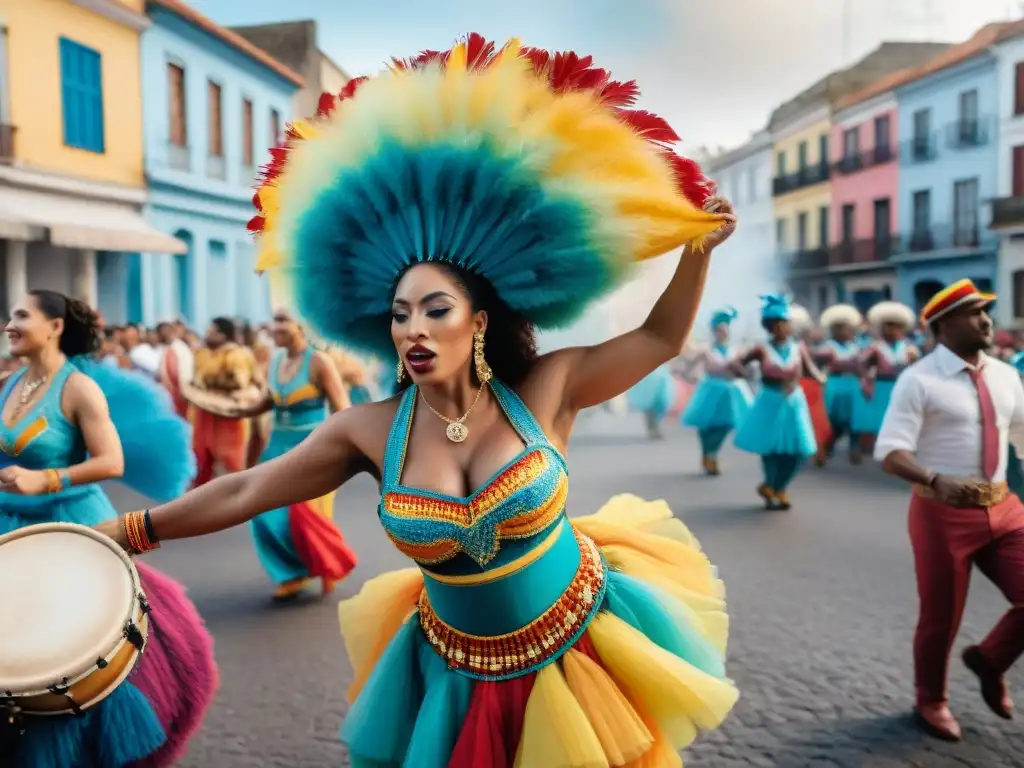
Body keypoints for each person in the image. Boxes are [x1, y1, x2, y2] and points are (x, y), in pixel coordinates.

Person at [97, 34, 739, 766]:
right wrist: (128, 531)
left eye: (437, 310)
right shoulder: (368, 432)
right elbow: (245, 489)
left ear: (480, 322)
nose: (414, 330)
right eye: (400, 315)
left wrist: (697, 252)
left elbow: (658, 338)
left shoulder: (549, 388)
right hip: (455, 678)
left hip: (582, 656)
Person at [0, 289, 214, 767]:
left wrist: (46, 479)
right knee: (13, 654)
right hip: (10, 530)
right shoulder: (9, 384)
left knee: (70, 658)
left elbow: (111, 460)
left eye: (21, 316)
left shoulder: (79, 389)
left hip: (72, 528)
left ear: (55, 327)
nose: (9, 326)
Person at [874, 279, 1024, 742]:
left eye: (986, 311)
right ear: (943, 325)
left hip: (1003, 507)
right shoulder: (918, 379)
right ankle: (931, 700)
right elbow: (890, 452)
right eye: (974, 313)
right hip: (941, 513)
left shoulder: (1006, 375)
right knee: (942, 617)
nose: (986, 320)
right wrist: (935, 479)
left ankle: (990, 659)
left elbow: (1021, 434)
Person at [230, 308, 358, 600]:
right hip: (277, 447)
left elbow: (343, 409)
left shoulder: (319, 361)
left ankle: (328, 565)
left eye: (283, 320)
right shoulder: (275, 361)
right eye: (273, 320)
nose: (275, 327)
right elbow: (268, 401)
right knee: (261, 510)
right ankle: (291, 573)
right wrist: (238, 410)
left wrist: (342, 452)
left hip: (312, 448)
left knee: (305, 516)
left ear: (300, 325)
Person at [734, 295, 823, 510]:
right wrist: (745, 374)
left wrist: (822, 378)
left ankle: (779, 486)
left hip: (794, 403)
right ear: (769, 327)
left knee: (799, 451)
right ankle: (772, 487)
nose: (782, 328)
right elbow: (738, 362)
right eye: (776, 324)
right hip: (769, 401)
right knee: (771, 449)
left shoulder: (798, 348)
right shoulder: (761, 349)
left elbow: (811, 370)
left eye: (785, 323)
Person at [681, 307, 752, 475]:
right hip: (711, 391)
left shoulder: (736, 351)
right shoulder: (706, 350)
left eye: (725, 330)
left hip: (731, 392)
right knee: (706, 426)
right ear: (714, 332)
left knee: (726, 425)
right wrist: (689, 375)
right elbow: (689, 366)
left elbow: (746, 370)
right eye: (719, 330)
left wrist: (741, 370)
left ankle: (712, 453)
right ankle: (707, 453)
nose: (723, 333)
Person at [190, 316, 256, 487]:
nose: (206, 335)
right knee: (201, 462)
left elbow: (240, 383)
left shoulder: (236, 354)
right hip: (204, 415)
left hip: (228, 417)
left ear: (223, 335)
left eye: (211, 332)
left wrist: (211, 383)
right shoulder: (203, 353)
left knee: (230, 464)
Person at [852, 301, 919, 451]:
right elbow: (862, 365)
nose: (892, 330)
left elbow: (918, 368)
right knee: (882, 419)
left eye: (896, 326)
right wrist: (866, 380)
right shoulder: (875, 347)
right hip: (882, 386)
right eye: (888, 326)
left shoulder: (909, 347)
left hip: (902, 386)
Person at [814, 304, 864, 464]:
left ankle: (854, 447)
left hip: (853, 384)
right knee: (834, 419)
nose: (844, 332)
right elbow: (818, 363)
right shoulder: (828, 347)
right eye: (840, 328)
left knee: (854, 418)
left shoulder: (857, 347)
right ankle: (826, 447)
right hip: (835, 383)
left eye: (847, 328)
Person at [790, 303, 833, 468]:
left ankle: (818, 452)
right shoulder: (796, 347)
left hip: (811, 387)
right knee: (808, 421)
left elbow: (814, 368)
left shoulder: (817, 346)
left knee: (816, 421)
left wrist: (821, 378)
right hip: (800, 387)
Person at [626, 362, 677, 439]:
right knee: (650, 411)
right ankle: (653, 430)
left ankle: (653, 430)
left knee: (654, 411)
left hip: (655, 390)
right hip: (650, 390)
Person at [156, 320, 194, 419]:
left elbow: (185, 375)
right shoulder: (166, 348)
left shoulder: (181, 349)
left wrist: (184, 394)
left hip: (180, 397)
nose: (164, 334)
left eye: (167, 331)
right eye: (161, 332)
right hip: (168, 395)